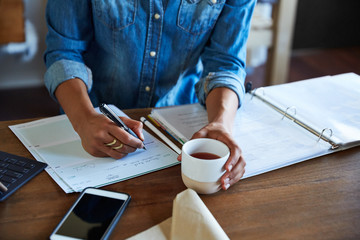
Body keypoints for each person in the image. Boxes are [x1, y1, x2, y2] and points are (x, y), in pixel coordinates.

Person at [44, 0, 256, 191]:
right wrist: (83, 119)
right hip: (91, 116)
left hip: (181, 128)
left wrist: (221, 123)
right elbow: (63, 51)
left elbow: (225, 63)